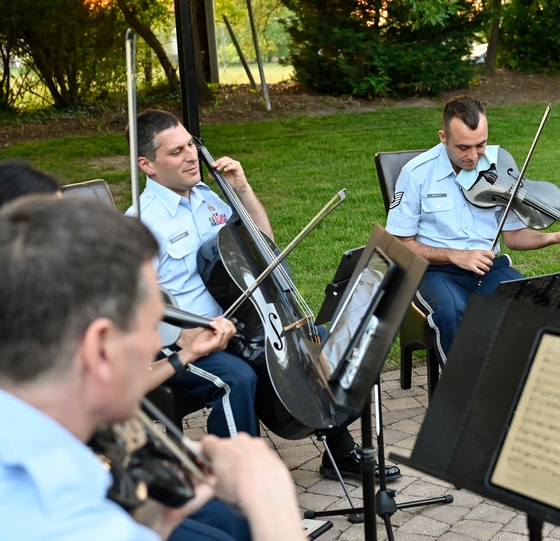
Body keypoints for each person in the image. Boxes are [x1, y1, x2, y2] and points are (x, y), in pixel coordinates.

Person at [0, 196, 341, 541]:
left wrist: (149, 532)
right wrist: (270, 499)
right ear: (101, 348)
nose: (157, 343)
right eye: (153, 321)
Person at [0, 160, 258, 541]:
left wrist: (183, 353)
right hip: (35, 499)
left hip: (90, 467)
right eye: (52, 229)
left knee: (227, 520)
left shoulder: (51, 302)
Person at [129, 109, 399, 482]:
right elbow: (133, 303)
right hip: (188, 338)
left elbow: (263, 248)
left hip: (244, 321)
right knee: (238, 379)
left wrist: (242, 190)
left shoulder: (209, 197)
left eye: (191, 144)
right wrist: (182, 335)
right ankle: (239, 484)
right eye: (176, 152)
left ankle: (341, 451)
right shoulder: (142, 221)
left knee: (328, 344)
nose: (192, 155)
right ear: (148, 165)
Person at [385, 95, 560, 365]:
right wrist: (455, 255)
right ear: (443, 137)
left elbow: (514, 237)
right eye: (463, 147)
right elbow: (400, 244)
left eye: (480, 144)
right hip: (435, 272)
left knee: (528, 300)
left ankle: (518, 387)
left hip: (488, 267)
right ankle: (466, 396)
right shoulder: (416, 173)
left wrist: (556, 237)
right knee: (452, 312)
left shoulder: (498, 165)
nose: (473, 157)